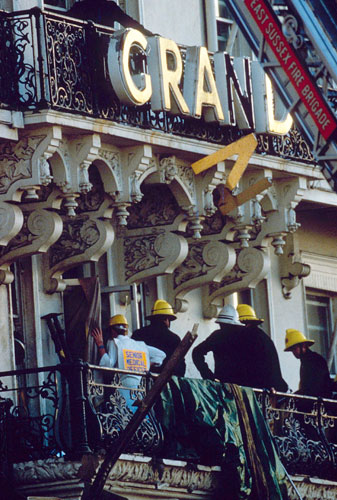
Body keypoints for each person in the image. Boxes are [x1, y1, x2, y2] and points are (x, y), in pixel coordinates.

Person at [91, 314, 166, 412]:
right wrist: (145, 365)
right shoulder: (139, 345)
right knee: (141, 418)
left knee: (124, 418)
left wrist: (100, 345)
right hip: (140, 390)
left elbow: (107, 365)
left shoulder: (114, 342)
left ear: (113, 331)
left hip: (124, 388)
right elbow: (161, 355)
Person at [192, 304, 253, 385]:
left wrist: (208, 376)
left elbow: (196, 352)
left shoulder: (217, 336)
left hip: (222, 385)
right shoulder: (245, 337)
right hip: (241, 385)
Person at [236, 304, 288, 392]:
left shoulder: (251, 339)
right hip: (273, 387)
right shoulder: (262, 337)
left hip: (262, 389)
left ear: (245, 324)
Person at [132, 299, 186, 376]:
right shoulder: (174, 338)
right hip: (166, 383)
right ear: (166, 319)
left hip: (143, 381)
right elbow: (180, 366)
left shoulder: (138, 334)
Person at [284, 328, 333, 398]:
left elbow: (314, 388)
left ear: (303, 346)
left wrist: (294, 396)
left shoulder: (315, 360)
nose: (293, 353)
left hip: (320, 404)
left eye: (295, 349)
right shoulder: (305, 362)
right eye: (292, 350)